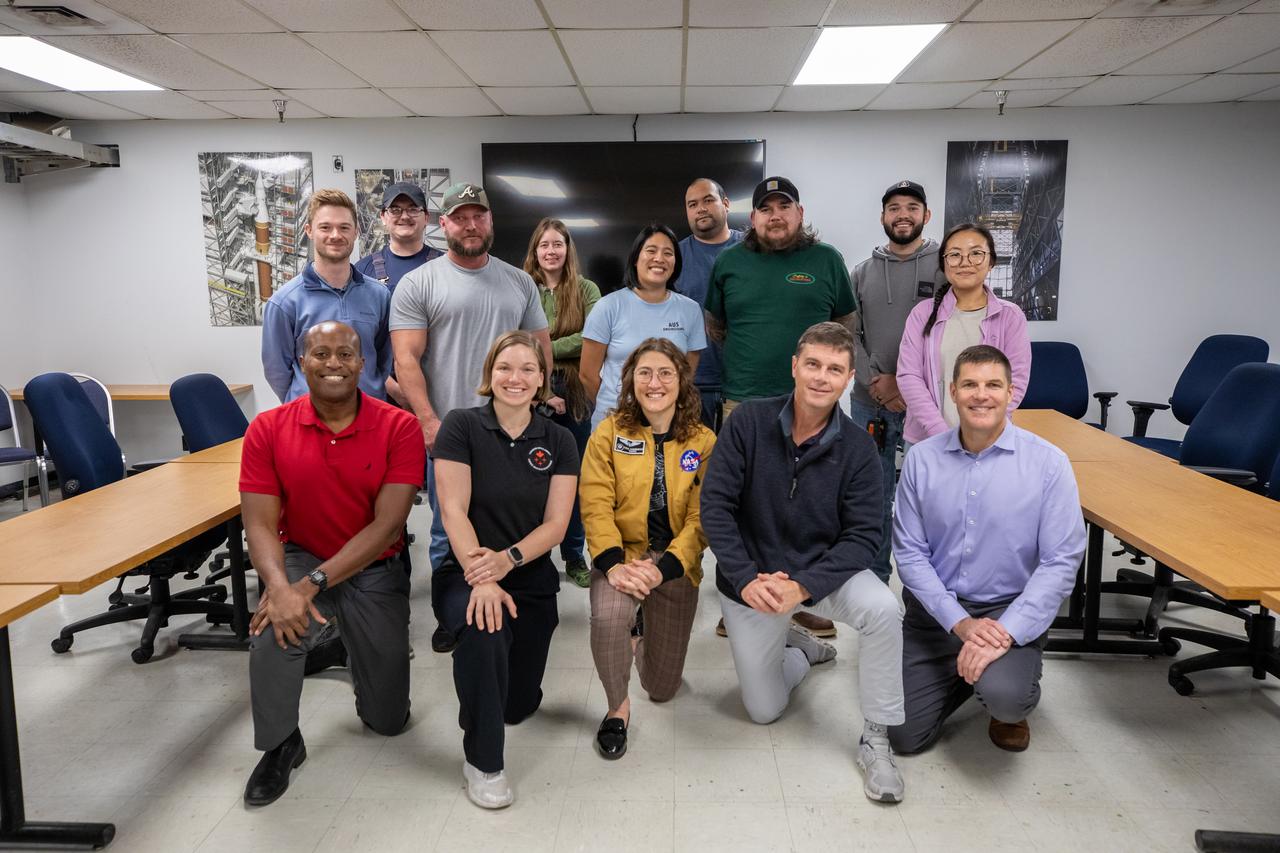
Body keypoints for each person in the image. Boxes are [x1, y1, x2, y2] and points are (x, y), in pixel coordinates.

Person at [700, 321, 906, 804]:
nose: (821, 376)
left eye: (834, 369)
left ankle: (876, 738)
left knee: (883, 609)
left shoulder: (859, 447)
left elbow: (862, 538)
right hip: (751, 581)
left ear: (849, 378)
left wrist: (804, 588)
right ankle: (799, 651)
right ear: (794, 367)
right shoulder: (747, 423)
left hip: (820, 576)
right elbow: (715, 508)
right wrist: (747, 578)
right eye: (812, 364)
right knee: (763, 709)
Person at [239, 321, 424, 806]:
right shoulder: (267, 428)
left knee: (387, 721)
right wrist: (281, 587)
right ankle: (281, 744)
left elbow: (388, 525)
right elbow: (258, 523)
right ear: (302, 363)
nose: (333, 363)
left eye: (345, 354)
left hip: (375, 564)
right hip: (301, 553)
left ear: (363, 364)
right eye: (320, 354)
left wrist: (313, 585)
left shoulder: (398, 426)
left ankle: (352, 648)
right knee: (270, 631)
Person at [889, 345, 1085, 754]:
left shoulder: (1048, 464)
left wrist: (1005, 632)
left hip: (1004, 614)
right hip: (938, 613)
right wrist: (960, 625)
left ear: (1011, 392)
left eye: (993, 385)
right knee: (904, 737)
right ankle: (967, 667)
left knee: (1007, 698)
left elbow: (1060, 561)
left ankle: (1000, 686)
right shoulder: (922, 461)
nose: (982, 395)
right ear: (953, 392)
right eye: (970, 385)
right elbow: (908, 554)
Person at [390, 181, 559, 653]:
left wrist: (540, 407)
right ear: (442, 225)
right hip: (451, 432)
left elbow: (539, 348)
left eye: (478, 216)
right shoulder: (419, 283)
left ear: (490, 222)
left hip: (513, 430)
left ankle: (508, 600)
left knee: (511, 520)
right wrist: (428, 422)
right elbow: (406, 360)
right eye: (459, 217)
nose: (469, 224)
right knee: (449, 526)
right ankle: (453, 611)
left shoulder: (519, 281)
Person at [432, 330, 578, 808]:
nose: (515, 378)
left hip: (531, 576)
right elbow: (453, 509)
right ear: (489, 374)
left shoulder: (558, 439)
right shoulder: (461, 426)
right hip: (466, 570)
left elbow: (557, 525)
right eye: (505, 368)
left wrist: (508, 561)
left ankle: (487, 699)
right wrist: (484, 575)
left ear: (542, 381)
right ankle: (483, 761)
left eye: (527, 370)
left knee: (516, 706)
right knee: (484, 630)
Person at [704, 176, 854, 639]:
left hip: (814, 404)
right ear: (752, 218)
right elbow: (715, 325)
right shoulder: (730, 262)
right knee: (745, 506)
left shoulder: (826, 260)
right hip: (743, 402)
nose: (775, 215)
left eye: (783, 206)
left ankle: (804, 597)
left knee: (811, 507)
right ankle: (742, 595)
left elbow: (845, 325)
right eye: (765, 208)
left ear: (799, 213)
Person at [579, 338, 716, 760]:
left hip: (674, 563)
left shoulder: (703, 440)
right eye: (644, 373)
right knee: (607, 619)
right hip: (622, 555)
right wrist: (614, 565)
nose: (654, 383)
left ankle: (638, 638)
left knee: (662, 688)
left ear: (681, 381)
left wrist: (665, 568)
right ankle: (617, 706)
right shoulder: (609, 432)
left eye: (665, 373)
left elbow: (702, 518)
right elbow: (595, 502)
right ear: (630, 381)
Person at [848, 180, 946, 584]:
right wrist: (876, 380)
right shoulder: (861, 272)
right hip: (868, 400)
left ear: (926, 215)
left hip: (927, 402)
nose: (902, 214)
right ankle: (873, 574)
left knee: (929, 494)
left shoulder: (946, 267)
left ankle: (929, 578)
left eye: (911, 207)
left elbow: (948, 332)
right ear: (883, 216)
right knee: (872, 491)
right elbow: (850, 333)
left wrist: (905, 386)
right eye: (893, 207)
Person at [896, 222, 1031, 448]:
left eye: (976, 253)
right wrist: (939, 433)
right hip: (928, 439)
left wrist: (983, 428)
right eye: (955, 255)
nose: (965, 262)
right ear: (944, 264)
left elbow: (1016, 379)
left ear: (991, 262)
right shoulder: (922, 313)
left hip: (988, 439)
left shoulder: (1010, 316)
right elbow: (909, 376)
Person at [524, 217, 601, 588]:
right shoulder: (523, 287)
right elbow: (512, 334)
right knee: (528, 479)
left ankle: (574, 554)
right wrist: (539, 353)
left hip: (574, 392)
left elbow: (596, 334)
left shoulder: (585, 289)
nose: (551, 251)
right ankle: (532, 557)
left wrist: (544, 346)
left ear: (568, 249)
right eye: (544, 245)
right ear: (535, 251)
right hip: (527, 392)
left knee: (571, 479)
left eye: (558, 244)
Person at [261, 189, 392, 404]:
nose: (335, 235)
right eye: (325, 227)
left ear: (356, 232)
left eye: (344, 227)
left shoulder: (379, 295)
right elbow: (277, 371)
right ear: (309, 231)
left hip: (370, 419)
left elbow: (383, 360)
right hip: (311, 423)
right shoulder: (285, 302)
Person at [580, 223, 706, 430]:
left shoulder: (690, 310)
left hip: (668, 424)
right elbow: (587, 375)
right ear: (636, 259)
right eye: (651, 250)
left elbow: (687, 375)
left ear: (676, 263)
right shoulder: (608, 306)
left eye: (668, 253)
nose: (659, 258)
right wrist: (619, 406)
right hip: (615, 423)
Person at [672, 178, 743, 429]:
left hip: (742, 382)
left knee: (741, 464)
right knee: (693, 464)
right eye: (692, 204)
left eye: (708, 200)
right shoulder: (673, 258)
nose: (700, 208)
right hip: (692, 381)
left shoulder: (752, 250)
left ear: (725, 204)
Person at [353, 181, 443, 298]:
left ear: (426, 217)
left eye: (413, 209)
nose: (405, 216)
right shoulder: (362, 270)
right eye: (395, 210)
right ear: (383, 217)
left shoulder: (446, 267)